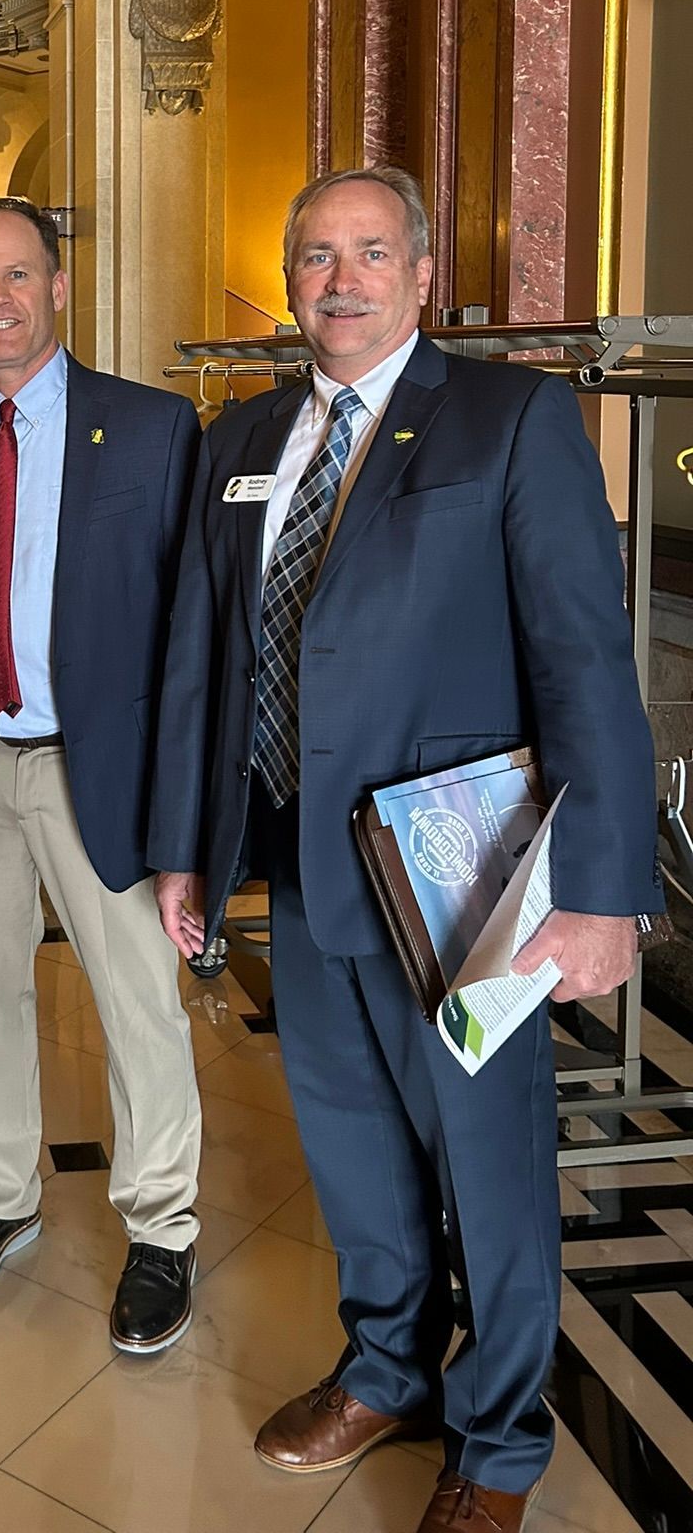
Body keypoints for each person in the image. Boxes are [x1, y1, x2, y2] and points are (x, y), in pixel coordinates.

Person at [148, 167, 660, 1533]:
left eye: (372, 252)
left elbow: (584, 659)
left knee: (487, 1166)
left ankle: (497, 1443)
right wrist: (191, 849)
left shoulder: (512, 418)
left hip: (462, 877)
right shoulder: (242, 436)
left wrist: (606, 894)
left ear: (423, 273)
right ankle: (385, 1368)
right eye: (316, 254)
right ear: (289, 275)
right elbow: (209, 658)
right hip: (304, 869)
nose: (343, 280)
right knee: (354, 1144)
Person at [0, 196, 207, 1355]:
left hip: (97, 757)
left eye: (18, 275)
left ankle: (163, 1222)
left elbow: (188, 633)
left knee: (137, 997)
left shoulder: (155, 427)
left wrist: (180, 814)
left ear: (58, 286)